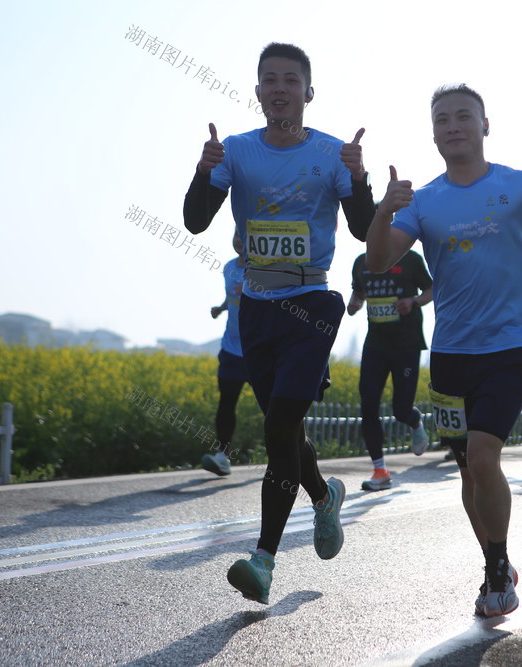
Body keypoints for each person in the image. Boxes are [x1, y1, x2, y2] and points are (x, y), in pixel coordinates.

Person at [365, 84, 522, 617]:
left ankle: (495, 572)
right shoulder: (423, 200)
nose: (453, 126)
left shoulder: (518, 186)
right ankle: (499, 558)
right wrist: (382, 213)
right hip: (450, 354)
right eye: (442, 119)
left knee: (482, 456)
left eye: (463, 117)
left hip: (509, 348)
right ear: (433, 133)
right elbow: (378, 261)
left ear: (485, 125)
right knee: (468, 471)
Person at [182, 43, 376, 604]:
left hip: (312, 304)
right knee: (284, 429)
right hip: (258, 310)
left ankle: (263, 559)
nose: (280, 88)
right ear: (258, 92)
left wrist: (360, 178)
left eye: (291, 80)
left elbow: (364, 231)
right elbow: (194, 222)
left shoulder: (333, 153)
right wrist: (203, 171)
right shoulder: (237, 151)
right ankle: (323, 497)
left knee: (279, 428)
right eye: (270, 79)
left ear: (308, 93)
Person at [347, 249, 434, 491]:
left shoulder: (410, 259)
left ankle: (414, 421)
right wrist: (355, 303)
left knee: (400, 410)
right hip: (375, 344)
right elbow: (359, 292)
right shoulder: (361, 261)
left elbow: (432, 290)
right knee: (368, 405)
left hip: (406, 344)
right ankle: (380, 470)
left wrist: (414, 302)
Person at [202, 233, 248, 476]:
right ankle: (222, 456)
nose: (239, 240)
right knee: (226, 403)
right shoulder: (230, 267)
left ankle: (282, 456)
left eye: (244, 236)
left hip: (258, 350)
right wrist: (221, 308)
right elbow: (232, 296)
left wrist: (250, 288)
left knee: (273, 407)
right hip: (231, 349)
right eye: (236, 235)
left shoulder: (264, 269)